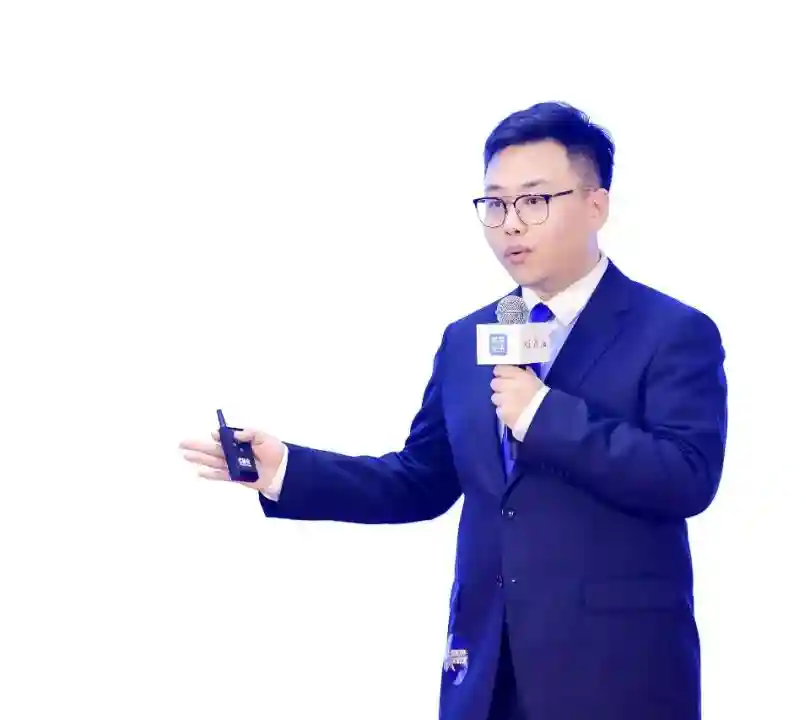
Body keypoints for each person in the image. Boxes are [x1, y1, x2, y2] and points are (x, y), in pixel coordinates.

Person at [179, 101, 728, 720]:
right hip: (487, 671)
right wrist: (286, 469)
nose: (510, 224)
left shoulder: (671, 331)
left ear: (595, 205)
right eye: (495, 204)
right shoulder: (471, 337)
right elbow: (420, 480)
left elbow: (687, 477)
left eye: (534, 201)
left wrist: (543, 415)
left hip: (617, 677)